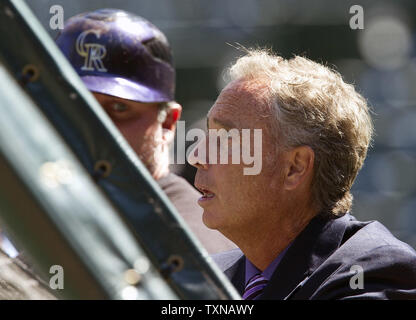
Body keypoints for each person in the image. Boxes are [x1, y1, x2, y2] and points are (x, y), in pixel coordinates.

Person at [188, 49, 416, 299]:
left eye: (225, 139)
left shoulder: (373, 273)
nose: (195, 155)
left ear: (295, 168)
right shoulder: (205, 278)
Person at [55, 8, 235, 254]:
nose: (95, 125)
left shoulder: (197, 248)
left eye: (119, 108)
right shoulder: (44, 221)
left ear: (167, 123)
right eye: (79, 105)